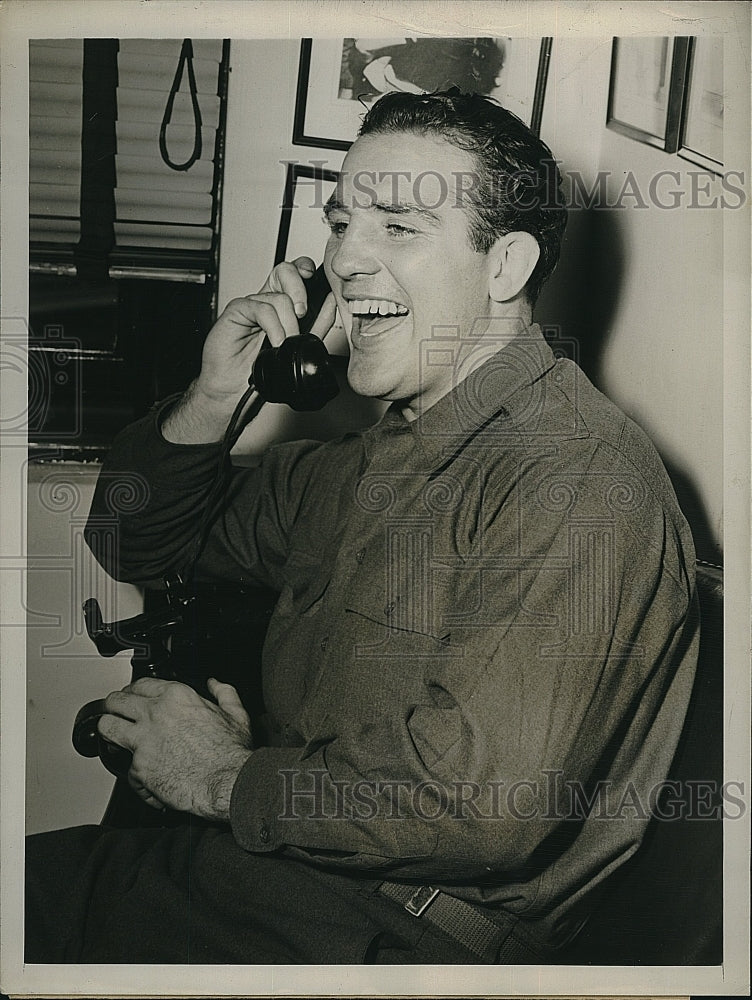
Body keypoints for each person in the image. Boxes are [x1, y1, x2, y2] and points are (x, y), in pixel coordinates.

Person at [25, 89, 698, 965]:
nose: (345, 261)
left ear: (505, 267)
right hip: (286, 875)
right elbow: (135, 541)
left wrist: (223, 778)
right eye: (343, 224)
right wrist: (215, 396)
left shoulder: (574, 478)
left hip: (389, 933)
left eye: (398, 227)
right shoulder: (383, 453)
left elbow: (481, 813)